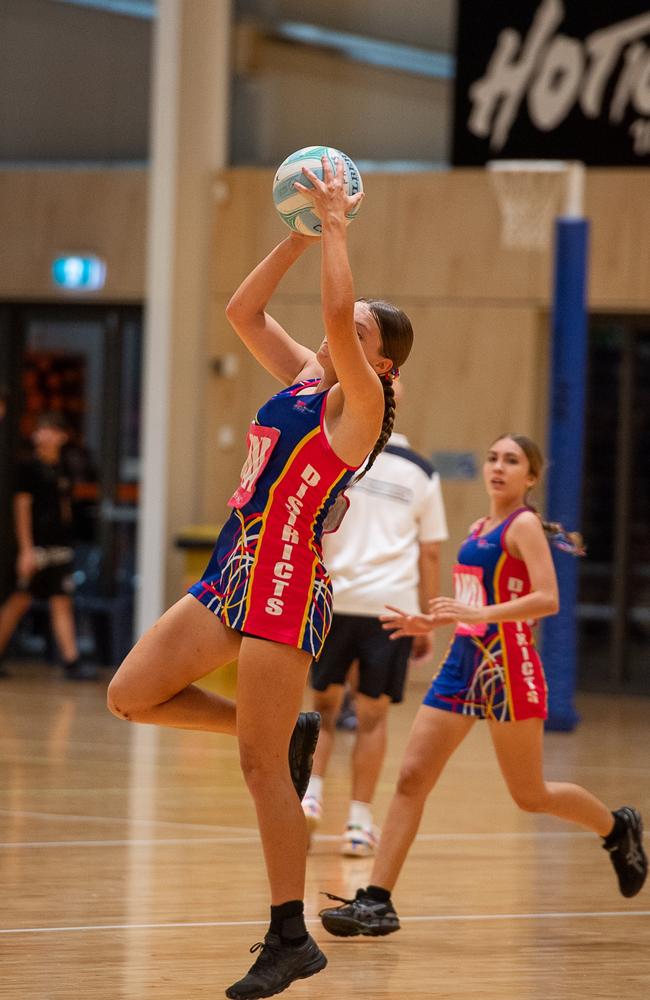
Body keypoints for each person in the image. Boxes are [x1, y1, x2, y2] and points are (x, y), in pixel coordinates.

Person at [107, 156, 414, 1000]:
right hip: (232, 568)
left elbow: (335, 307)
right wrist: (296, 233)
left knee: (257, 771)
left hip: (285, 578)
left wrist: (339, 229)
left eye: (359, 336)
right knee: (131, 695)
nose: (338, 336)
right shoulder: (306, 383)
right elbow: (242, 310)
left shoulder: (362, 407)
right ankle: (284, 738)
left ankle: (289, 937)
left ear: (382, 369)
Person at [319, 433, 647, 938]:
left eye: (511, 461)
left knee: (530, 794)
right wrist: (430, 622)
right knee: (411, 778)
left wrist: (480, 613)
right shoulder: (478, 528)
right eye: (493, 457)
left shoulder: (524, 526)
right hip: (464, 662)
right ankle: (377, 902)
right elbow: (473, 603)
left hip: (508, 666)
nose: (498, 467)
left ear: (530, 477)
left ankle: (617, 827)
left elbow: (547, 599)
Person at [302, 378, 448, 856]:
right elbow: (429, 554)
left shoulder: (337, 453)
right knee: (372, 716)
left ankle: (311, 796)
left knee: (321, 705)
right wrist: (425, 616)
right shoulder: (422, 471)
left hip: (333, 598)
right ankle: (360, 824)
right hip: (393, 608)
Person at [0, 411, 94, 681]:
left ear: (62, 436)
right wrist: (26, 549)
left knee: (61, 600)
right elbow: (22, 508)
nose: (45, 435)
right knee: (18, 600)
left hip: (59, 546)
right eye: (42, 429)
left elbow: (64, 507)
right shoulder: (28, 468)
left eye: (51, 430)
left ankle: (71, 661)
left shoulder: (62, 468)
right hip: (37, 548)